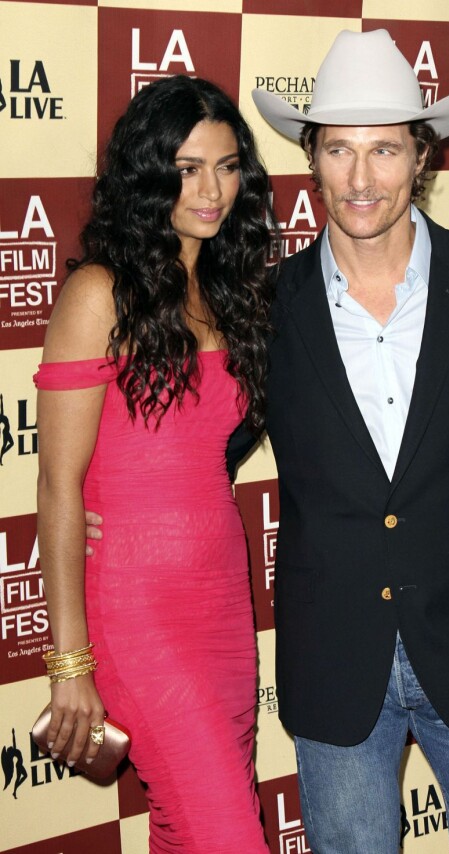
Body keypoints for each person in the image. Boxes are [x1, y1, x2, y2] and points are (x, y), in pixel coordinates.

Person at [242, 29, 449, 853]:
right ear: (310, 158)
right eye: (339, 151)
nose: (361, 180)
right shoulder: (263, 304)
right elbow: (206, 447)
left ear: (422, 156)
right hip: (335, 655)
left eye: (385, 150)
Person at [35, 74, 273, 853]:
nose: (212, 190)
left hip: (223, 605)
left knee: (189, 829)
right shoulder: (98, 293)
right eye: (187, 168)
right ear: (148, 173)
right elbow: (58, 485)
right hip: (137, 611)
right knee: (227, 834)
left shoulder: (231, 289)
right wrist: (71, 661)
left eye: (228, 166)